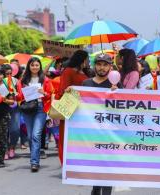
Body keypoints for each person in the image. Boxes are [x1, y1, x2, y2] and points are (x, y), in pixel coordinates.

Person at [82, 53, 116, 195]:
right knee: (96, 166)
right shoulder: (86, 84)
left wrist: (117, 93)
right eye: (99, 64)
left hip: (110, 134)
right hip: (91, 133)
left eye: (105, 64)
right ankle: (95, 189)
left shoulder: (115, 85)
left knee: (108, 167)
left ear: (110, 67)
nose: (102, 68)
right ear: (95, 65)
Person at [16, 57, 53, 172]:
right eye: (32, 65)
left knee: (36, 135)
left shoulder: (45, 79)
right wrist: (16, 94)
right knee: (30, 136)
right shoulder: (22, 80)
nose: (35, 67)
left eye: (37, 65)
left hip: (40, 109)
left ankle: (34, 162)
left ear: (40, 66)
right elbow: (19, 97)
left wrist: (44, 93)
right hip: (27, 108)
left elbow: (50, 94)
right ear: (29, 66)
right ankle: (35, 157)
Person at [56, 50, 90, 165]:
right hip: (70, 108)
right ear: (82, 60)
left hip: (82, 111)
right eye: (87, 58)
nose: (88, 61)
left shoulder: (85, 73)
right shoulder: (68, 72)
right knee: (66, 137)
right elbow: (62, 90)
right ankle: (66, 163)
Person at [3, 65, 20, 160]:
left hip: (15, 108)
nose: (9, 75)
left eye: (10, 73)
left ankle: (12, 147)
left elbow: (21, 94)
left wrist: (16, 95)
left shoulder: (16, 81)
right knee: (4, 130)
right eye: (7, 74)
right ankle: (5, 150)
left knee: (15, 129)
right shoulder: (0, 82)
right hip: (3, 109)